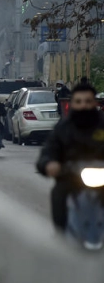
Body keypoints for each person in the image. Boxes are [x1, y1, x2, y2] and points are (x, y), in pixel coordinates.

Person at [37, 82, 104, 231]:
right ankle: (61, 237)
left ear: (94, 103)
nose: (84, 106)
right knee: (58, 193)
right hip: (71, 177)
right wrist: (49, 164)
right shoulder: (63, 128)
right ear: (72, 103)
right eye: (79, 102)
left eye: (88, 101)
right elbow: (49, 151)